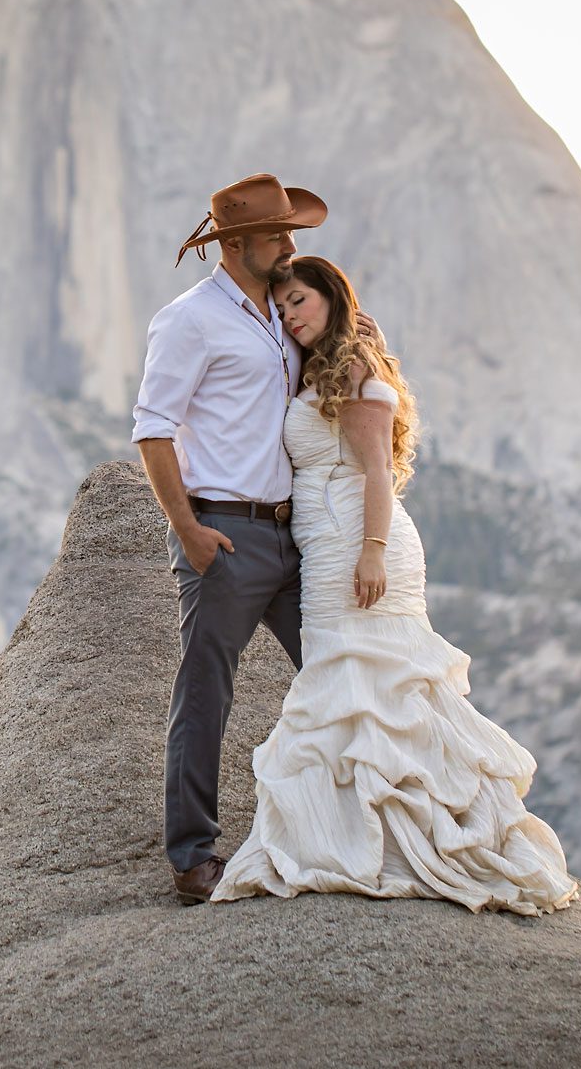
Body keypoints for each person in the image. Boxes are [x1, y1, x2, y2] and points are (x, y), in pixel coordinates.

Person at [207, 255, 578, 916]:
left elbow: (377, 471)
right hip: (328, 546)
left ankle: (391, 838)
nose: (290, 315)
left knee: (373, 686)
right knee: (348, 686)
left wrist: (372, 553)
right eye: (282, 307)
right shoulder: (328, 363)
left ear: (330, 296)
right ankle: (361, 834)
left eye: (300, 301)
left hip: (361, 543)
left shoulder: (350, 366)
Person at [133, 172, 364, 905]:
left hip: (293, 535)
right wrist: (189, 531)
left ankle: (349, 827)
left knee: (337, 669)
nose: (290, 246)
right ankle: (192, 857)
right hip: (225, 534)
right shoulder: (190, 320)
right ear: (235, 245)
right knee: (206, 696)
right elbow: (152, 428)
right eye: (277, 235)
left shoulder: (283, 312)